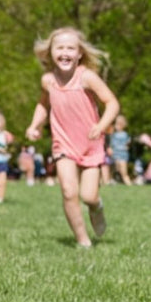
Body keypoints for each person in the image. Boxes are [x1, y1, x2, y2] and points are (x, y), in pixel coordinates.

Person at [25, 27, 120, 248]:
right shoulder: (48, 80)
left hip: (90, 143)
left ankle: (96, 207)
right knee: (69, 191)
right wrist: (34, 125)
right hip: (63, 144)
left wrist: (102, 126)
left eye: (70, 48)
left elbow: (112, 103)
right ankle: (82, 241)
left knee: (88, 196)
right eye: (60, 48)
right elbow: (43, 104)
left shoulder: (87, 77)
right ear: (50, 53)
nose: (65, 52)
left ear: (79, 54)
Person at [109, 114, 133, 185]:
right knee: (115, 170)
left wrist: (127, 146)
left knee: (124, 172)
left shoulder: (125, 134)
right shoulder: (113, 134)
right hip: (115, 155)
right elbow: (111, 144)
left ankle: (128, 184)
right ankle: (113, 181)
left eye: (119, 124)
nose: (117, 126)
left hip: (122, 155)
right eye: (116, 124)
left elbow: (128, 143)